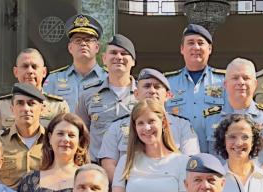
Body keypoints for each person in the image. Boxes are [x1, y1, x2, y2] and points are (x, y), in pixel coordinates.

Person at [99, 67, 199, 181]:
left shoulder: (183, 126)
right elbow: (108, 164)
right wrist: (126, 189)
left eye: (157, 87)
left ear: (168, 95)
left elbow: (191, 164)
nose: (152, 90)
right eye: (146, 86)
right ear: (136, 93)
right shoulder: (116, 126)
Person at [202, 58, 263, 177]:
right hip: (220, 186)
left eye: (246, 78)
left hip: (259, 185)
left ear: (255, 84)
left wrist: (250, 177)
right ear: (225, 84)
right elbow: (201, 158)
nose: (241, 82)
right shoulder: (207, 119)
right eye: (235, 78)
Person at [75, 34, 138, 162]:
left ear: (133, 62)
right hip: (95, 170)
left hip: (134, 168)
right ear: (104, 59)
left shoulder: (143, 95)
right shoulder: (88, 95)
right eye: (113, 53)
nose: (118, 57)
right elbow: (79, 135)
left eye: (124, 53)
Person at [165, 25, 226, 145]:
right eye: (191, 43)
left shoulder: (224, 80)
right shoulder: (167, 83)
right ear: (182, 49)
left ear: (209, 49)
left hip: (215, 152)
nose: (196, 47)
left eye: (200, 43)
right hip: (179, 152)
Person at [0, 48, 69, 132]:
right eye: (25, 66)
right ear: (15, 72)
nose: (30, 71)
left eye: (34, 67)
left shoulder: (59, 107)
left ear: (44, 72)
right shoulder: (0, 105)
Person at [43, 14, 108, 112]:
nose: (83, 43)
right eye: (78, 40)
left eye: (88, 40)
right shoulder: (54, 79)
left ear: (97, 47)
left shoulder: (108, 78)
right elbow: (44, 114)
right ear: (70, 48)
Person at [0, 83, 48, 188]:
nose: (26, 108)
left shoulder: (52, 141)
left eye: (31, 103)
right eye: (20, 103)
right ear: (12, 109)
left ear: (42, 109)